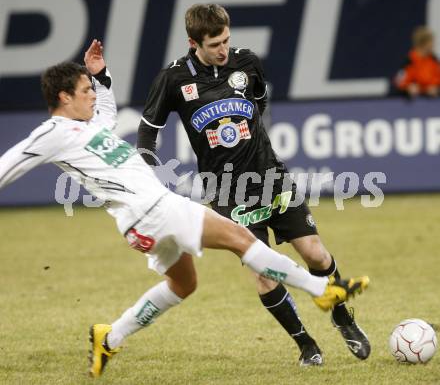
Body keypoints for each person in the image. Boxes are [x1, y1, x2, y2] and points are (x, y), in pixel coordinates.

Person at [0, 40, 369, 378]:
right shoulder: (51, 134)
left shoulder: (86, 127)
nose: (91, 97)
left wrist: (100, 78)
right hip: (155, 209)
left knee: (183, 284)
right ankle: (320, 289)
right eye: (84, 92)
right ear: (64, 97)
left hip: (139, 221)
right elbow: (9, 164)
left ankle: (110, 337)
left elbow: (106, 115)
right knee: (242, 238)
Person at [138, 3, 371, 366]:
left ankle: (342, 317)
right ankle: (306, 345)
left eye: (226, 40)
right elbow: (147, 134)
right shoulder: (173, 79)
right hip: (227, 193)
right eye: (215, 43)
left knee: (315, 254)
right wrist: (146, 177)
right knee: (263, 274)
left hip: (270, 177)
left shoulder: (246, 63)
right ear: (193, 42)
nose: (223, 49)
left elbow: (260, 103)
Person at [394, 26, 440, 97]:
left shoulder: (434, 60)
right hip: (413, 106)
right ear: (423, 43)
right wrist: (408, 89)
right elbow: (398, 84)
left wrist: (437, 89)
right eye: (431, 42)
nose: (433, 45)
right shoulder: (409, 62)